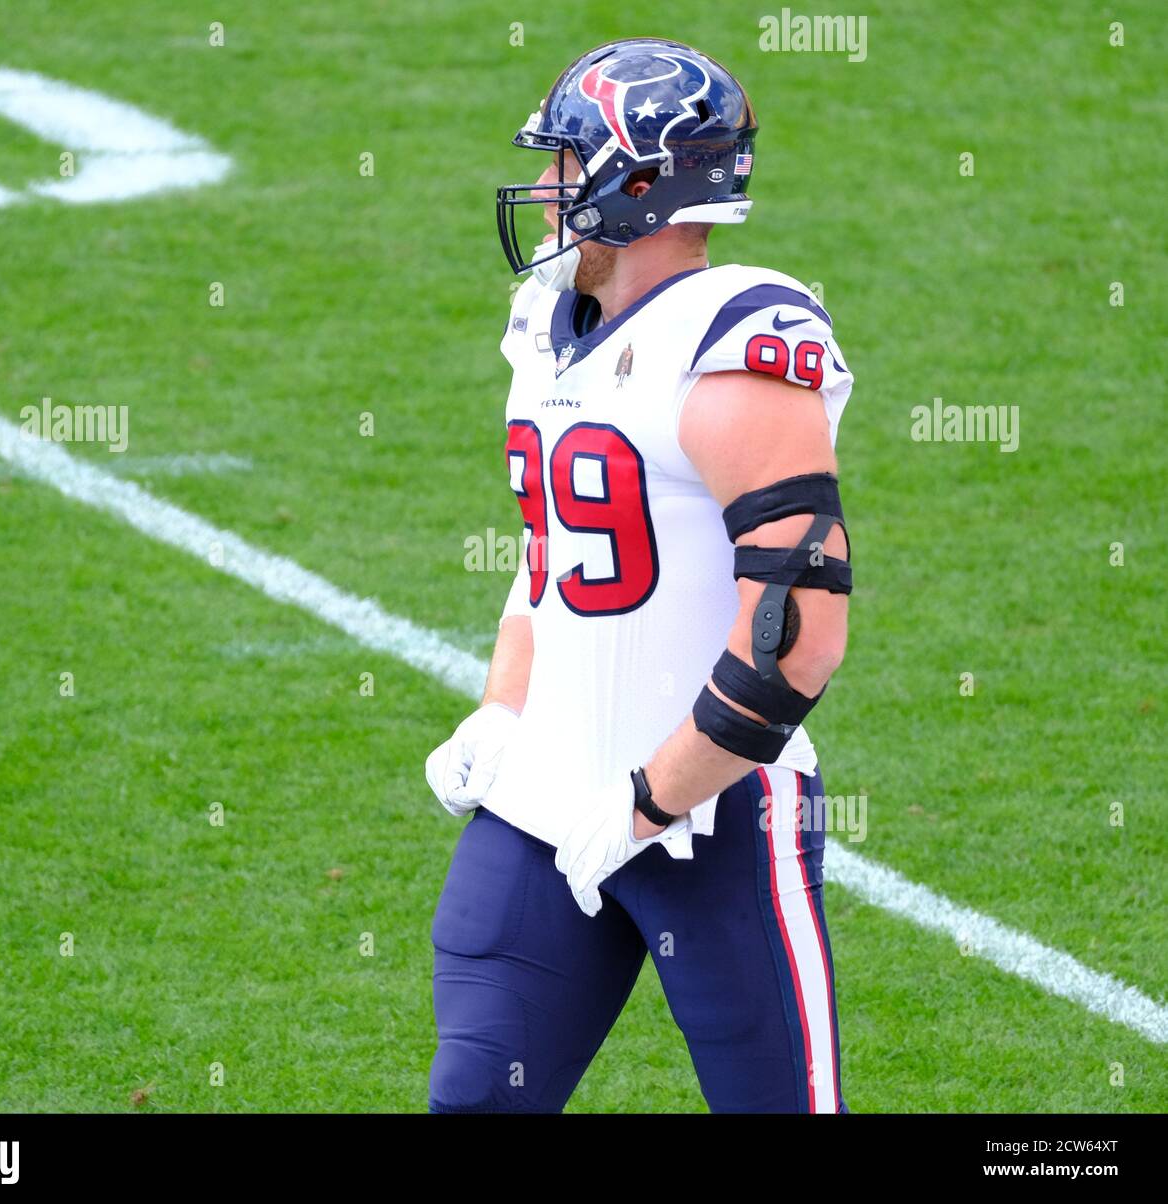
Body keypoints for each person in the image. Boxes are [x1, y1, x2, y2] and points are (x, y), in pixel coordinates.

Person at [425, 36, 853, 1114]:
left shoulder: (737, 337)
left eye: (567, 166)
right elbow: (555, 554)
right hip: (543, 800)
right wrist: (500, 709)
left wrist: (653, 801)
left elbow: (795, 630)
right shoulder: (548, 327)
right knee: (475, 1102)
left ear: (640, 183)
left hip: (713, 813)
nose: (545, 190)